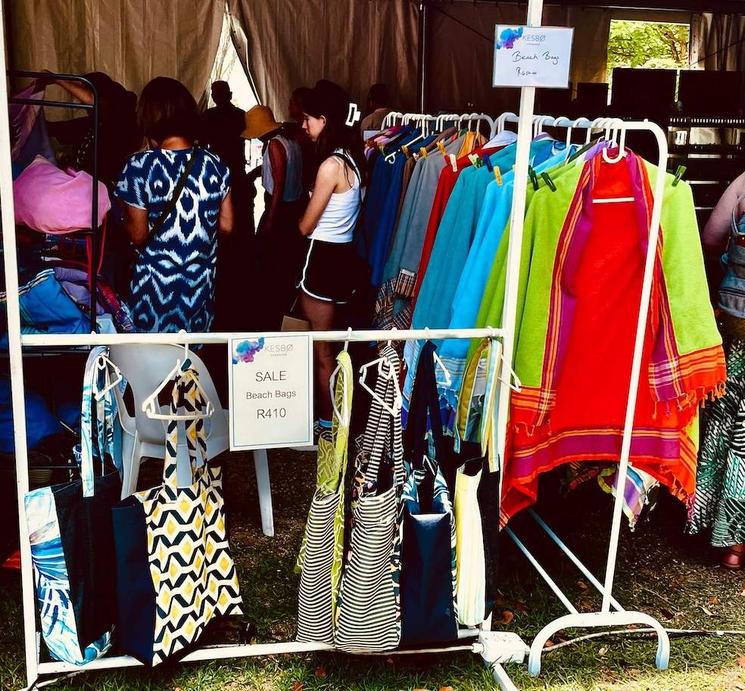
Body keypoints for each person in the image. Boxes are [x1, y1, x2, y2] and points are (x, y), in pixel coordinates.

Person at [114, 77, 233, 333]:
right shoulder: (215, 164)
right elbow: (227, 225)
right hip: (199, 286)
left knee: (151, 362)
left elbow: (138, 236)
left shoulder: (138, 166)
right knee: (190, 364)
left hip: (154, 289)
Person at [297, 81, 365, 432]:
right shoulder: (354, 159)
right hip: (344, 259)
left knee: (321, 351)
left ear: (324, 119)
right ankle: (337, 418)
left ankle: (326, 424)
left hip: (322, 260)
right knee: (336, 348)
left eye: (309, 118)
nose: (304, 126)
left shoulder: (330, 166)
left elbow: (306, 226)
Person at [689, 171, 745, 568]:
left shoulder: (744, 183)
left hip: (737, 318)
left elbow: (709, 237)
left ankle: (732, 544)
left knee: (730, 426)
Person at [241, 104, 305, 329]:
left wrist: (270, 217)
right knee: (283, 259)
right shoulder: (290, 141)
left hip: (280, 208)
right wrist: (255, 173)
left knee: (271, 260)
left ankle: (268, 310)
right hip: (293, 206)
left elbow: (279, 183)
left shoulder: (275, 145)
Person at [45, 71, 139, 188]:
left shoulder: (121, 122)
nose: (82, 103)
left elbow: (97, 101)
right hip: (84, 189)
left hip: (107, 194)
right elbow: (52, 128)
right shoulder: (90, 123)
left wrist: (57, 80)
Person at [202, 80, 246, 180]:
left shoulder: (207, 116)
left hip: (216, 167)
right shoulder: (241, 115)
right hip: (235, 168)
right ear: (230, 95)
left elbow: (201, 143)